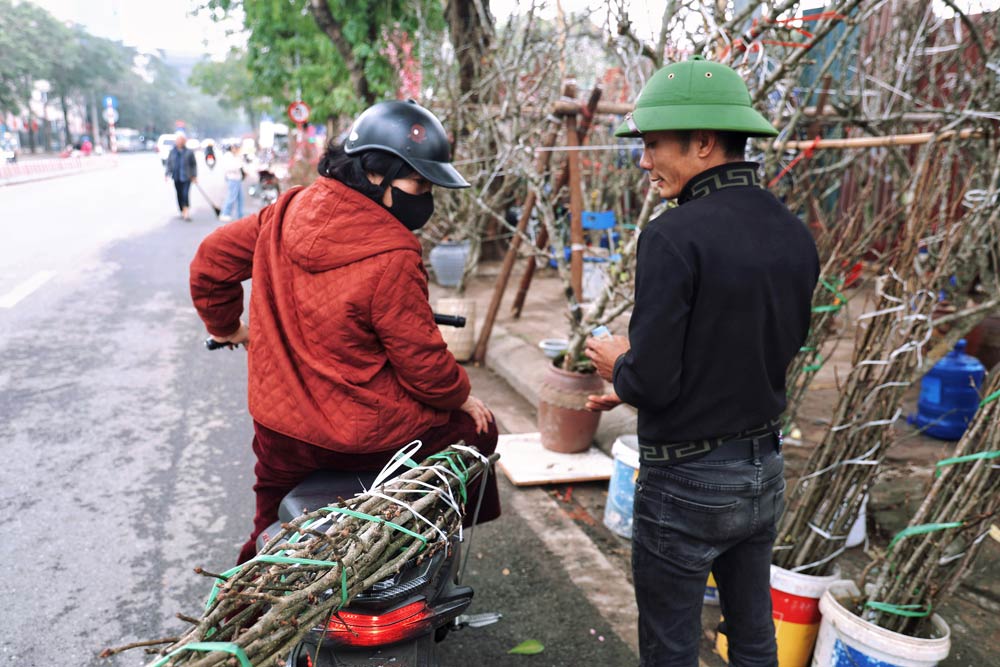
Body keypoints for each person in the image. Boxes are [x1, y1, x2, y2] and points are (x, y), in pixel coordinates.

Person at [190, 100, 500, 565]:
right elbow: (425, 370)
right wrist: (461, 397)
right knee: (482, 430)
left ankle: (246, 606)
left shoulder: (283, 211)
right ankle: (430, 542)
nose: (427, 199)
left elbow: (210, 264)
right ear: (376, 175)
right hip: (366, 441)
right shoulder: (394, 252)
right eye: (419, 183)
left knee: (266, 526)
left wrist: (231, 328)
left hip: (280, 432)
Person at [584, 56, 819, 667]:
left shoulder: (673, 235)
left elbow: (657, 380)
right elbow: (768, 349)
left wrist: (620, 367)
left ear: (704, 143)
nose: (643, 160)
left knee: (671, 647)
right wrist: (634, 384)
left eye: (653, 144)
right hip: (762, 473)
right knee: (752, 640)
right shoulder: (793, 232)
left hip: (687, 484)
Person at [165, 133, 198, 221]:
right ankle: (182, 210)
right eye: (178, 140)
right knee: (179, 194)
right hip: (176, 176)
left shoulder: (189, 152)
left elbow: (193, 165)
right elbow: (169, 163)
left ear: (184, 142)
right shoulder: (172, 152)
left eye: (181, 140)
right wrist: (167, 174)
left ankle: (186, 212)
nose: (179, 142)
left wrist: (194, 176)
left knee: (185, 194)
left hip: (187, 177)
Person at [218, 143, 244, 222]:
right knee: (231, 197)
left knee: (240, 198)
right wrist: (239, 166)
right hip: (232, 179)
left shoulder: (236, 156)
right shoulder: (228, 156)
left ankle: (240, 215)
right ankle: (225, 213)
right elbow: (230, 167)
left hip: (238, 179)